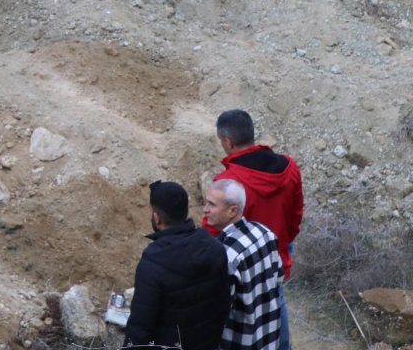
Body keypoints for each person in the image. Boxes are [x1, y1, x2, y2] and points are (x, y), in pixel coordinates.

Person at [208, 109, 304, 350]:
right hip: (277, 254)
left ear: (228, 142)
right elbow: (296, 215)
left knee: (241, 320)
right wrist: (283, 246)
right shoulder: (289, 167)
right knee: (275, 303)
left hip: (242, 264)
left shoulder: (229, 185)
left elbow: (214, 234)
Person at [123, 181, 230, 350]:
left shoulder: (153, 263)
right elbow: (224, 306)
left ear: (157, 218)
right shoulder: (215, 247)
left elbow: (140, 331)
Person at [204, 179, 284, 350]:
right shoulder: (265, 233)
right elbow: (279, 279)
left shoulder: (226, 255)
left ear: (232, 211)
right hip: (268, 338)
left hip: (240, 342)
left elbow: (218, 313)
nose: (205, 210)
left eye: (212, 204)